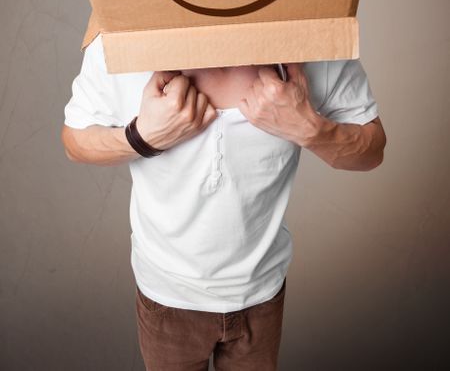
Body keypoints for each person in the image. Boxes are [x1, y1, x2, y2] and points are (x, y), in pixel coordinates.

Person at [61, 33, 386, 371]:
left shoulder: (310, 36)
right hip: (167, 295)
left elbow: (372, 150)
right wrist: (142, 137)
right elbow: (75, 141)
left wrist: (310, 128)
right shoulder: (122, 41)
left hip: (261, 294)